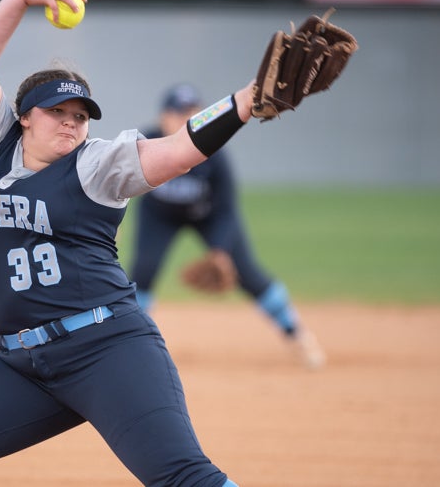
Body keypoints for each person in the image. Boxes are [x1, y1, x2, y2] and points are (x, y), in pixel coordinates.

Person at [0, 0, 267, 487]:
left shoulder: (97, 164)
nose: (71, 124)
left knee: (182, 477)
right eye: (57, 113)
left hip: (107, 349)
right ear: (23, 117)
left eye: (80, 117)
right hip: (21, 364)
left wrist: (247, 100)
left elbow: (179, 149)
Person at [128, 84, 326, 370]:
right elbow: (119, 182)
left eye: (193, 112)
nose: (186, 118)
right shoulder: (146, 143)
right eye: (179, 112)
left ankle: (295, 333)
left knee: (247, 274)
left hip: (209, 216)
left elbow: (226, 210)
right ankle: (131, 345)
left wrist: (220, 250)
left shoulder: (213, 153)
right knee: (142, 272)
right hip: (159, 216)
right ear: (163, 117)